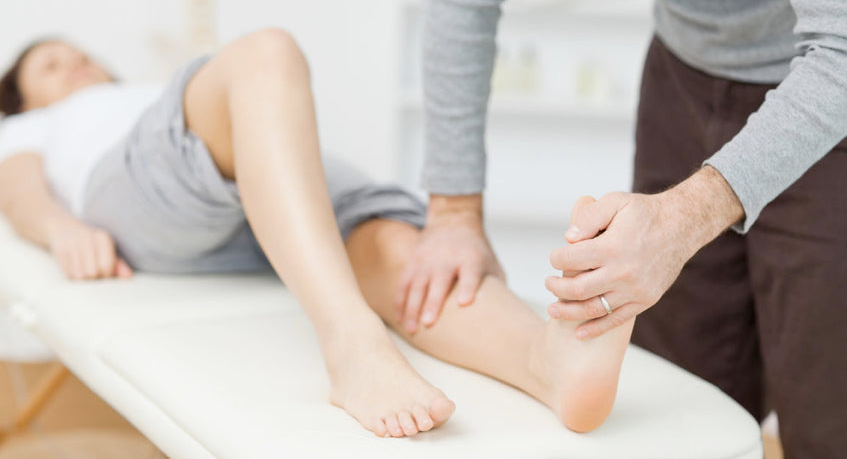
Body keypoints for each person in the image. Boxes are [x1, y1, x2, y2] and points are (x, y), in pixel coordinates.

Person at [0, 31, 633, 438]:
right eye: (50, 65)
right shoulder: (50, 124)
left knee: (385, 237)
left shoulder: (140, 91)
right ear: (24, 101)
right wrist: (59, 230)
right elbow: (16, 182)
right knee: (266, 52)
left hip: (260, 194)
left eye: (79, 52)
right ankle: (352, 345)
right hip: (155, 196)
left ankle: (548, 364)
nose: (75, 62)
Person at [402, 0, 847, 456]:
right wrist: (452, 212)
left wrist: (682, 220)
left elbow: (843, 47)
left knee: (830, 420)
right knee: (682, 415)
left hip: (832, 85)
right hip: (684, 70)